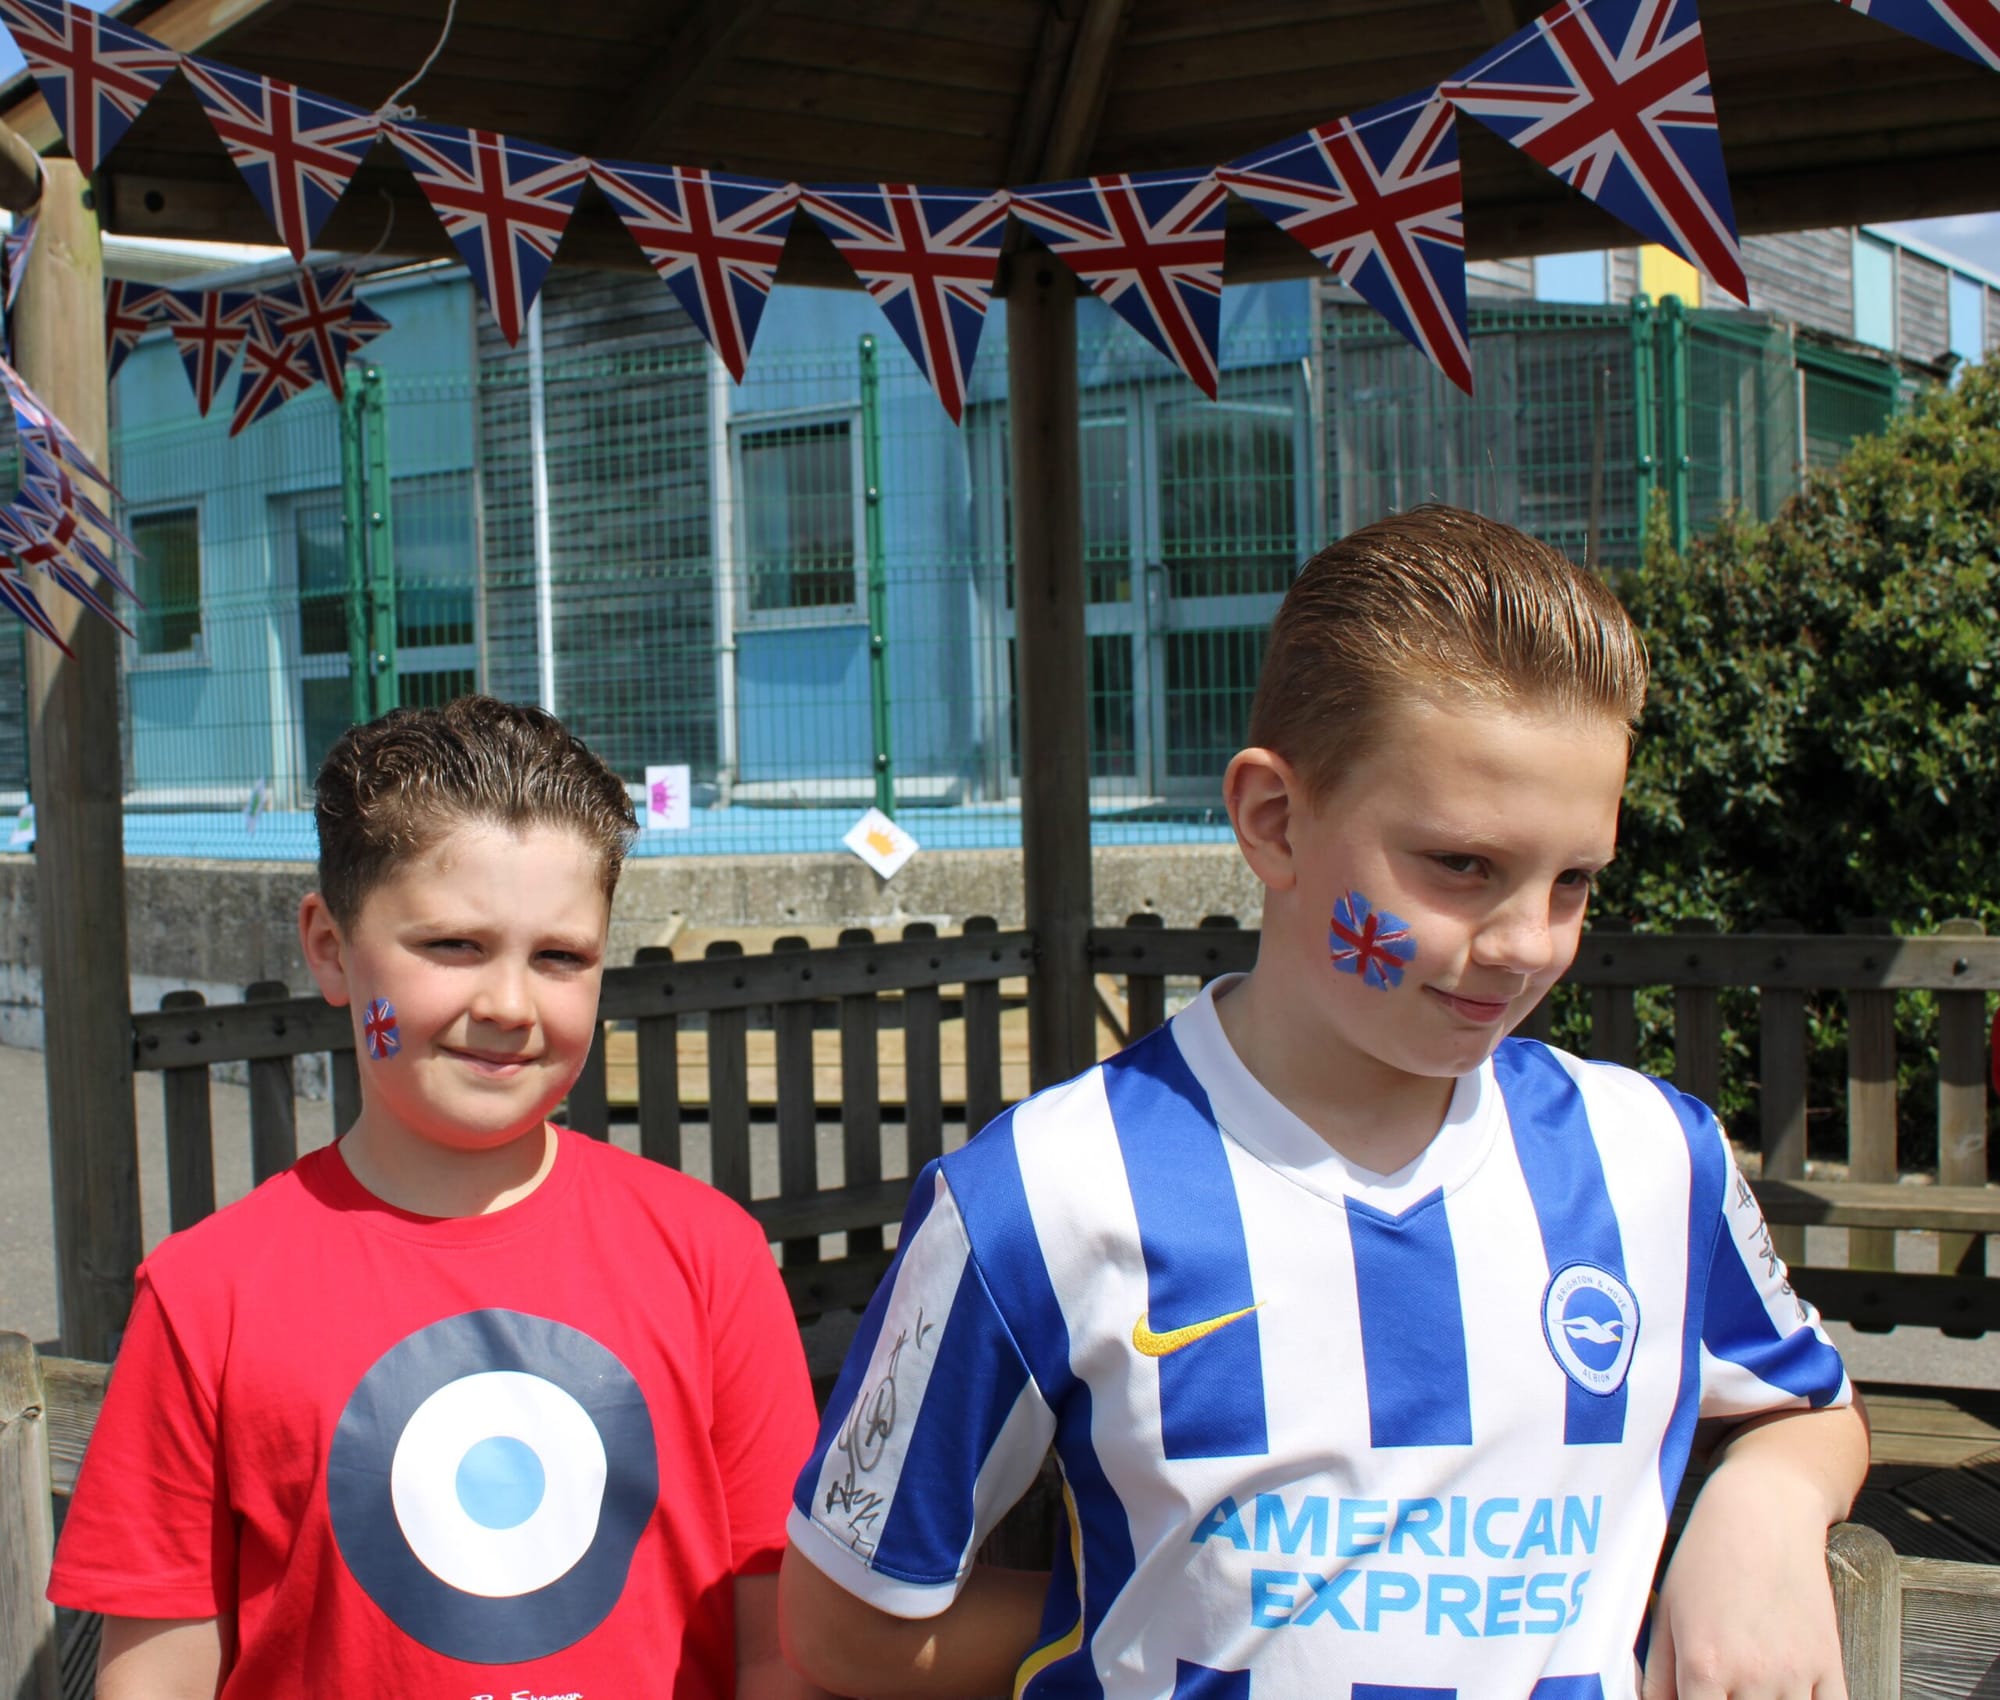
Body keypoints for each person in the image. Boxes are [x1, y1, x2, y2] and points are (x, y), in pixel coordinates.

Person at [779, 507, 1868, 1700]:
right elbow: (843, 1627)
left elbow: (1809, 1403)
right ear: (1273, 819)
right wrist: (1141, 1611)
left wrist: (1767, 1501)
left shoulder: (1657, 1157)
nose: (1524, 943)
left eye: (1572, 880)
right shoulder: (1037, 1194)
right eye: (1461, 865)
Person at [51, 695, 826, 1700]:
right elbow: (157, 1676)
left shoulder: (711, 1256)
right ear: (329, 947)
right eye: (453, 945)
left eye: (560, 956)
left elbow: (778, 1647)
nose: (508, 1004)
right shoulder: (206, 1296)